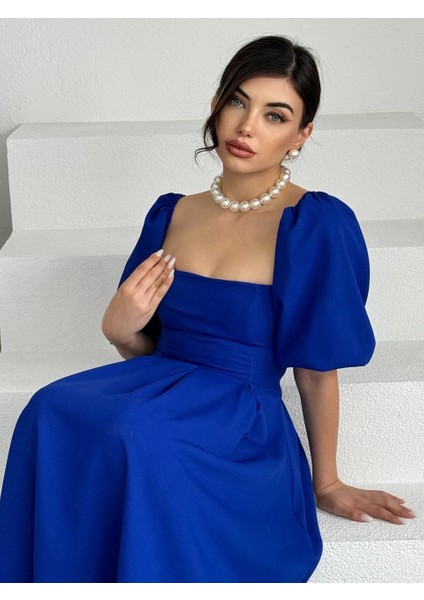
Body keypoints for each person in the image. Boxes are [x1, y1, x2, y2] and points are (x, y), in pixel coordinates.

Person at [0, 34, 415, 584]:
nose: (247, 127)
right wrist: (120, 332)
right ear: (218, 105)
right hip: (163, 385)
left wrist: (328, 481)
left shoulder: (313, 224)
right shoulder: (171, 214)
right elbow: (147, 348)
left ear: (301, 135)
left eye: (275, 115)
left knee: (138, 432)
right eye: (238, 102)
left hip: (243, 418)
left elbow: (317, 372)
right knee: (49, 408)